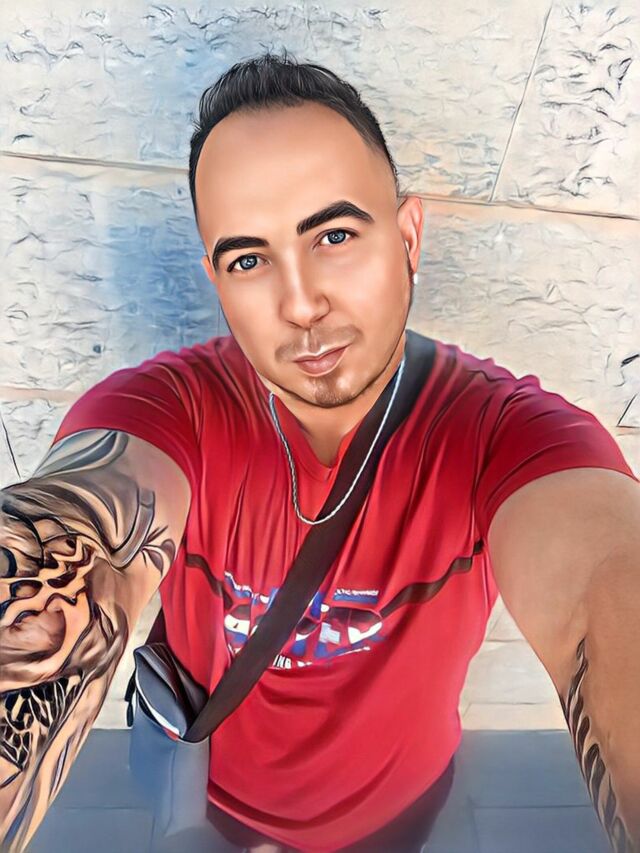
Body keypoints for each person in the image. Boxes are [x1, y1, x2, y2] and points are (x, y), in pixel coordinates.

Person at [1, 49, 640, 853]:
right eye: (248, 259)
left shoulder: (499, 433)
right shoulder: (167, 414)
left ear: (408, 236)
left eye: (334, 234)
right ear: (216, 280)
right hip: (208, 798)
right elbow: (70, 537)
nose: (300, 303)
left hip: (400, 809)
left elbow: (605, 581)